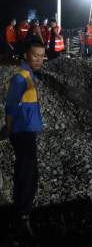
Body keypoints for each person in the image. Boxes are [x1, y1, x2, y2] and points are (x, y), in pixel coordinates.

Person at [2, 37, 46, 236]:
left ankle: (21, 211)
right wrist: (10, 131)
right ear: (26, 55)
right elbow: (10, 108)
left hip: (27, 131)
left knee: (27, 172)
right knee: (27, 174)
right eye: (35, 55)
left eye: (42, 56)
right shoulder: (20, 78)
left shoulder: (29, 76)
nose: (39, 59)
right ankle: (22, 217)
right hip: (22, 133)